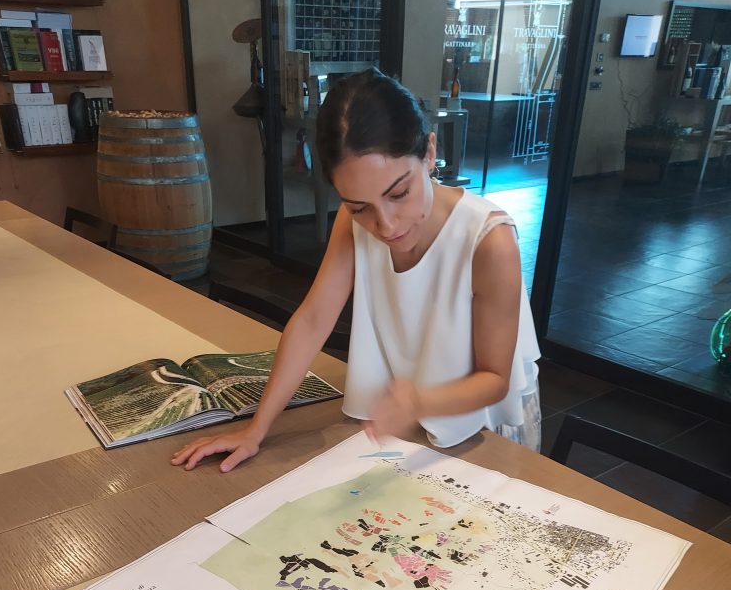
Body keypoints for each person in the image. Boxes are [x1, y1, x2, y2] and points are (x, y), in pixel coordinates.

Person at [172, 68, 541, 474]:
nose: (386, 225)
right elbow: (313, 319)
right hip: (405, 415)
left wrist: (418, 401)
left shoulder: (489, 240)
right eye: (360, 206)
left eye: (399, 193)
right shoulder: (352, 224)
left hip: (480, 425)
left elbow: (494, 379)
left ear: (429, 152)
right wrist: (255, 431)